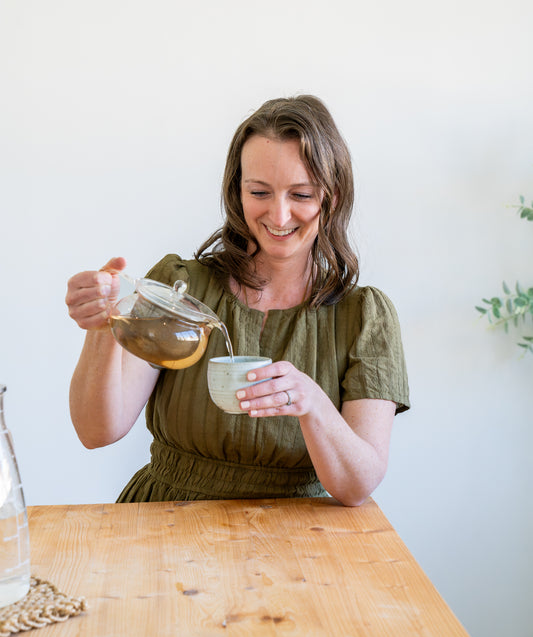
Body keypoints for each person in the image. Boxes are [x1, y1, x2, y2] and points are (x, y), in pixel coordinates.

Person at [66, 95, 409, 507]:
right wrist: (104, 325)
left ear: (330, 198)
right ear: (237, 192)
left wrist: (312, 403)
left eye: (300, 195)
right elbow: (96, 431)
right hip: (163, 524)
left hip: (301, 539)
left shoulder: (364, 317)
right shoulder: (181, 289)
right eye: (260, 192)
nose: (279, 216)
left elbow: (357, 487)